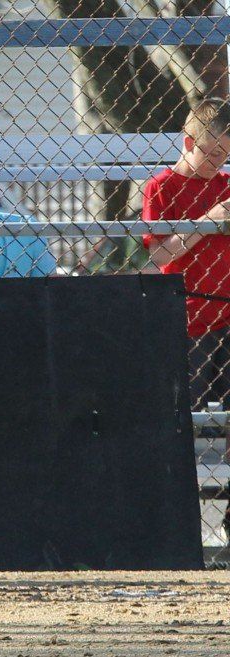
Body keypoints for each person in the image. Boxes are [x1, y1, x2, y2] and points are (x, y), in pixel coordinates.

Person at [142, 98, 230, 542]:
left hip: (227, 312)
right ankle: (171, 524)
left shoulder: (227, 184)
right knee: (180, 418)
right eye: (212, 153)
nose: (218, 164)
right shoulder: (162, 187)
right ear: (189, 141)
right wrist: (209, 221)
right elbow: (160, 253)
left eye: (225, 156)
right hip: (187, 317)